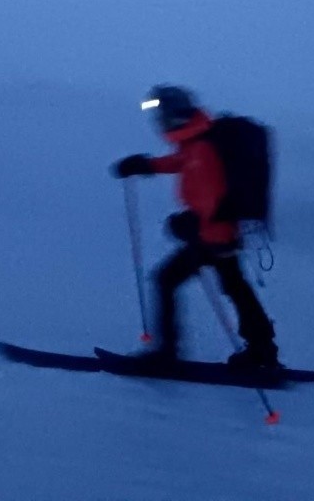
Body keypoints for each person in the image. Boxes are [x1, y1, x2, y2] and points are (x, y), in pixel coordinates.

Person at [112, 83, 279, 373]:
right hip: (217, 235)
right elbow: (179, 162)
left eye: (162, 116)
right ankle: (262, 350)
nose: (160, 122)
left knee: (168, 279)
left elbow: (212, 199)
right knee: (235, 287)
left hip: (214, 237)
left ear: (174, 115)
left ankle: (167, 353)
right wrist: (145, 165)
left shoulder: (202, 148)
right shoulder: (197, 141)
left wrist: (191, 226)